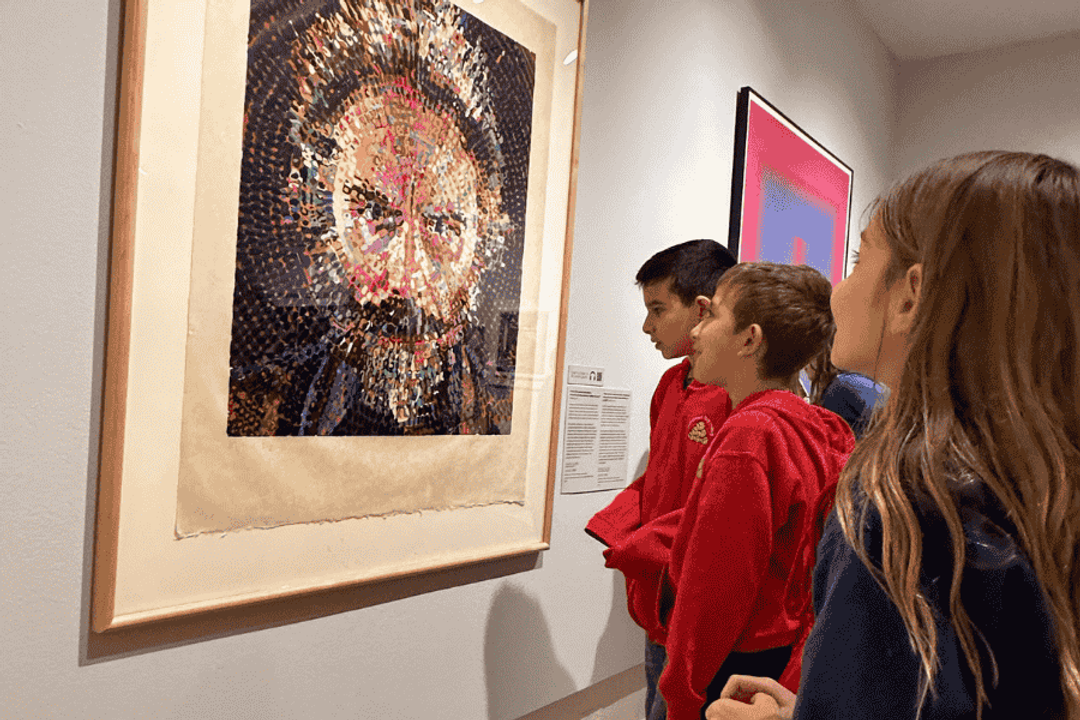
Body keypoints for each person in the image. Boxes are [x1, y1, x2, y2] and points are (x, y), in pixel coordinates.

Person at [708, 151, 1080, 720]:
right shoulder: (1037, 489)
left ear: (910, 295)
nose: (839, 287)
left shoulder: (900, 507)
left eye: (858, 260)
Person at [226, 0, 534, 436]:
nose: (408, 275)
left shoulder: (495, 410)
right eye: (375, 215)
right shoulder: (260, 406)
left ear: (484, 234)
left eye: (442, 226)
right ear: (318, 208)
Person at [657, 262, 855, 720]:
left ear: (749, 339)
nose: (696, 331)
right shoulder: (820, 425)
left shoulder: (749, 435)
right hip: (786, 656)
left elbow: (716, 589)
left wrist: (682, 692)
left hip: (734, 667)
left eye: (711, 316)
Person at [586, 239, 738, 720]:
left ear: (700, 310)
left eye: (658, 309)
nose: (647, 326)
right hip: (659, 605)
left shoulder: (737, 396)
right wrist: (619, 524)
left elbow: (724, 515)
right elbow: (659, 478)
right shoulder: (670, 386)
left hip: (704, 613)